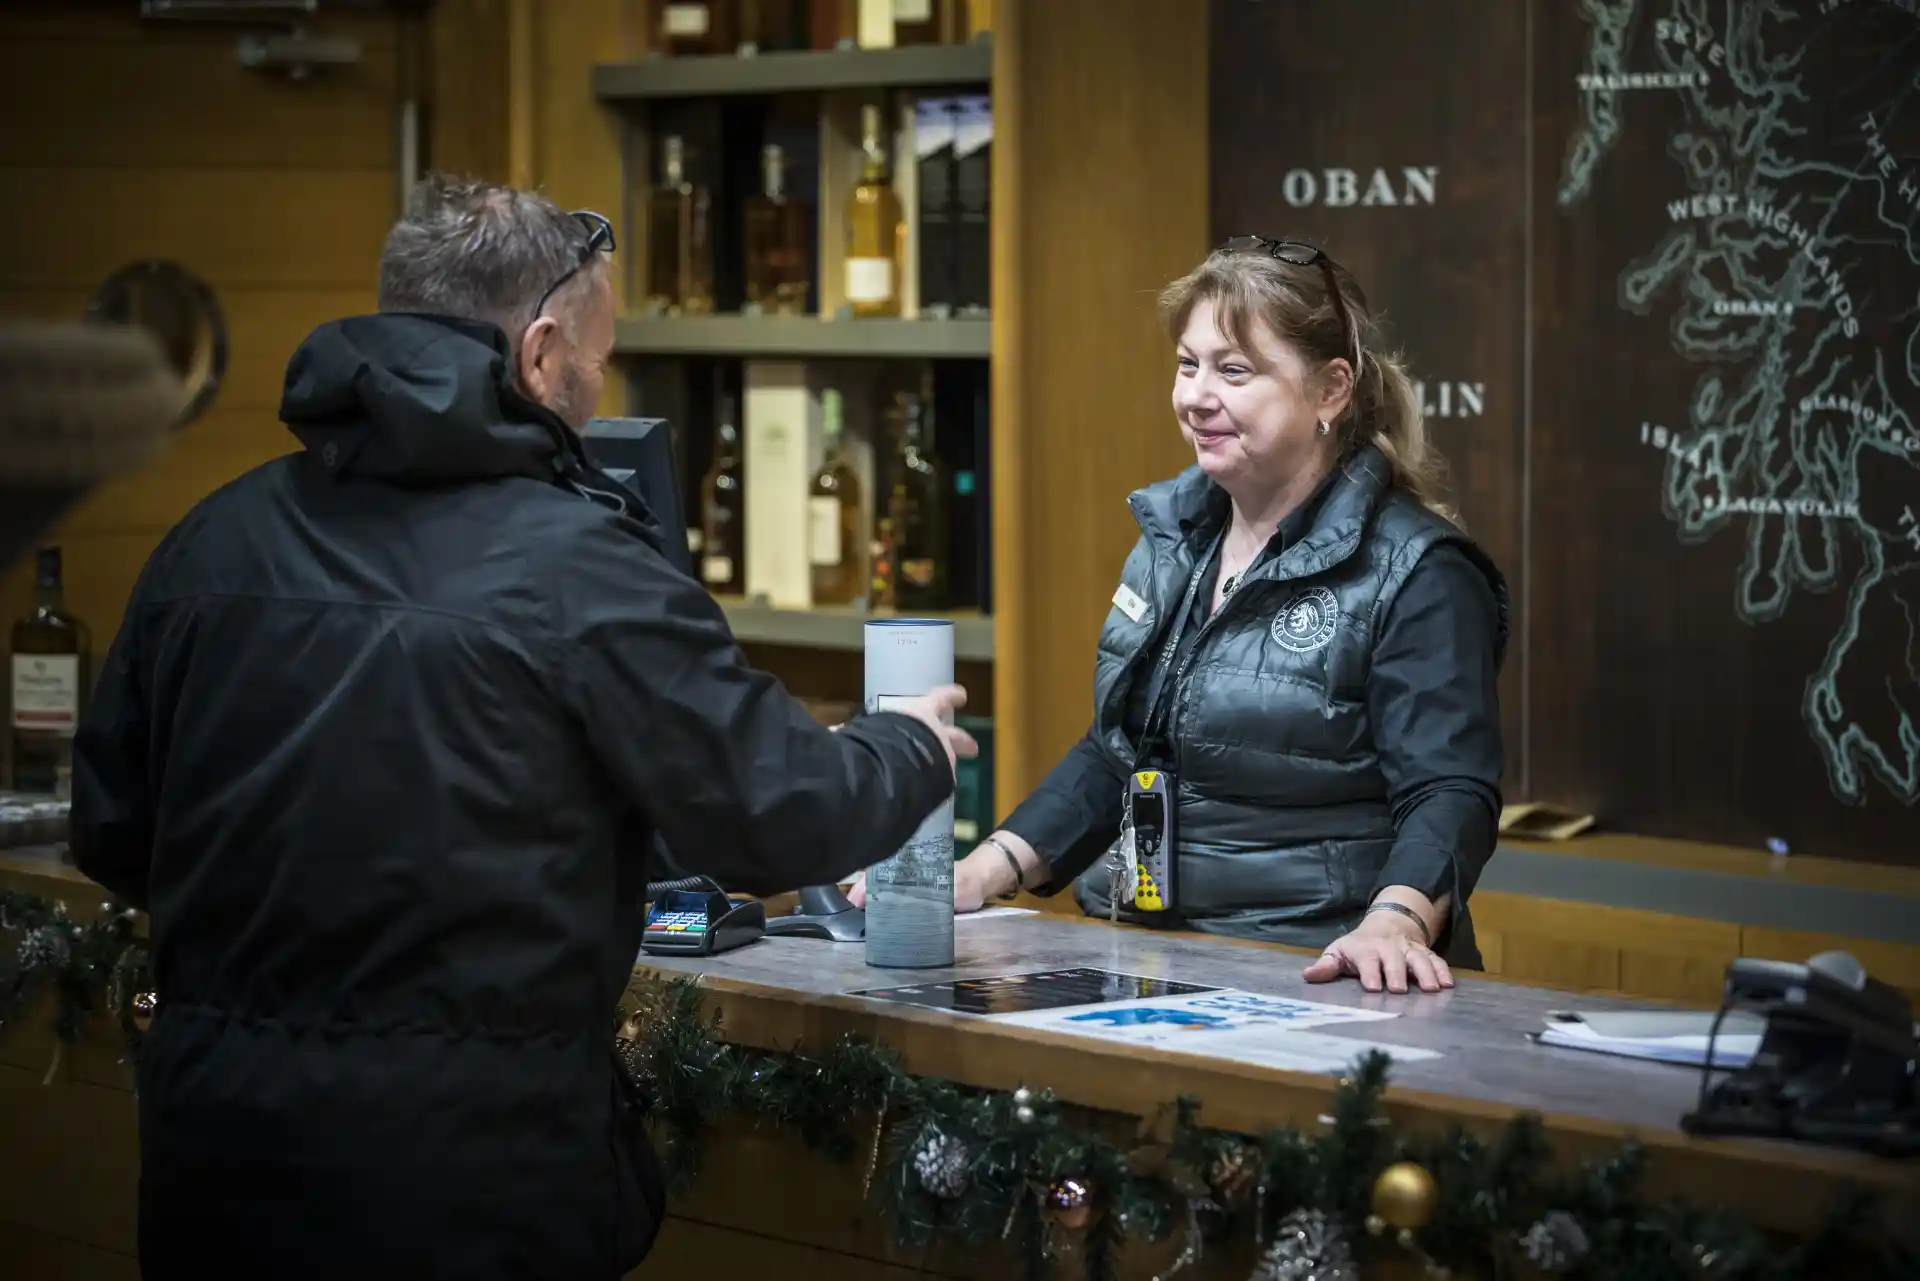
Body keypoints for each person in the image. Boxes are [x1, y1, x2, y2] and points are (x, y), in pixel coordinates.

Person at [67, 174, 974, 1281]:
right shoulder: (581, 567)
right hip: (465, 1177)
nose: (597, 391)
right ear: (540, 356)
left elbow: (112, 829)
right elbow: (777, 815)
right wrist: (909, 744)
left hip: (215, 1160)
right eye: (597, 360)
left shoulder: (212, 539)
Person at [852, 236, 1506, 997]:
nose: (1196, 395)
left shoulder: (1419, 571)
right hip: (1150, 960)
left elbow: (1449, 790)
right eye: (1188, 364)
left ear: (1332, 391)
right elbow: (1117, 752)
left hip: (1316, 968)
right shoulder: (1175, 537)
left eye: (1233, 370)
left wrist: (1395, 920)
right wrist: (978, 872)